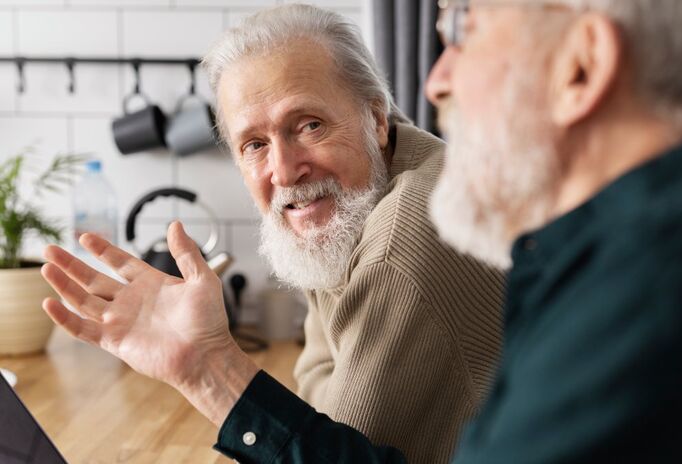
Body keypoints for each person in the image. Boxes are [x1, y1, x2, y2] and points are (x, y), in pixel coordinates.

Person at [40, 0, 682, 463]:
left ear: (581, 67)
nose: (438, 79)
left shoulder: (658, 290)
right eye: (251, 143)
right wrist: (207, 367)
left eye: (464, 28)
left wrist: (212, 372)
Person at [40, 5, 504, 464]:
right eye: (255, 145)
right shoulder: (356, 205)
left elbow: (336, 454)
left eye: (309, 126)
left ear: (376, 119)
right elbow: (318, 379)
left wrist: (207, 365)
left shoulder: (402, 242)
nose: (283, 171)